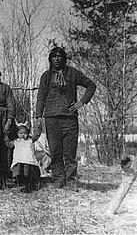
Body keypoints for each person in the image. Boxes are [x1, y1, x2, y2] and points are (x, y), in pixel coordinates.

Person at [35, 47, 96, 191]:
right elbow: (41, 97)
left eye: (60, 56)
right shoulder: (46, 76)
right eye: (54, 56)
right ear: (50, 59)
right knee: (55, 151)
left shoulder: (72, 73)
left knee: (69, 151)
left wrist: (81, 102)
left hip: (69, 119)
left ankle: (71, 180)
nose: (57, 59)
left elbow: (91, 85)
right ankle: (58, 179)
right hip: (51, 118)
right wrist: (38, 116)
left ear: (64, 58)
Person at [5, 125, 41, 193]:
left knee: (27, 174)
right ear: (17, 134)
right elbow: (8, 144)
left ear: (28, 134)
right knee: (20, 174)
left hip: (28, 160)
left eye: (25, 133)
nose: (23, 135)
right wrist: (6, 135)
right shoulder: (16, 141)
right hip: (19, 160)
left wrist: (38, 127)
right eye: (21, 133)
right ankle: (23, 185)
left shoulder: (30, 140)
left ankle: (29, 186)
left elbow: (37, 135)